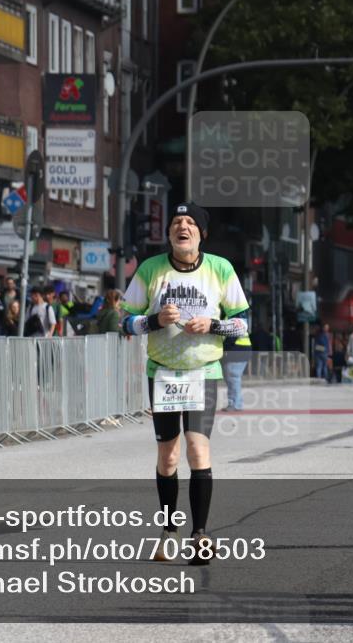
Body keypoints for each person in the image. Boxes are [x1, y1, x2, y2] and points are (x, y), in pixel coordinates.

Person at [120, 203, 249, 564]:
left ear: (201, 233)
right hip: (162, 372)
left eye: (191, 222)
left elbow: (242, 324)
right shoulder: (150, 269)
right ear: (169, 233)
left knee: (197, 450)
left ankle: (200, 534)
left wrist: (214, 325)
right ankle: (169, 530)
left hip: (203, 370)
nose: (183, 227)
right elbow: (125, 322)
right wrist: (154, 320)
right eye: (177, 222)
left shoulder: (220, 269)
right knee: (169, 456)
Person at [221, 314, 251, 411]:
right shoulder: (237, 315)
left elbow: (231, 337)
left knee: (233, 378)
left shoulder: (234, 316)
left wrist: (222, 349)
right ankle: (236, 403)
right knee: (232, 378)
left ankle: (235, 404)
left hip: (237, 350)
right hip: (241, 350)